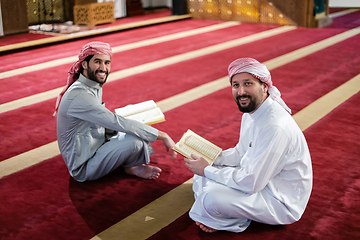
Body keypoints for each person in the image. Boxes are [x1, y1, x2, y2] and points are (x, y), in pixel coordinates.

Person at [184, 57, 313, 233]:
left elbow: (252, 183)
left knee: (210, 197)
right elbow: (241, 153)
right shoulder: (252, 113)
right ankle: (222, 214)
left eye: (248, 84)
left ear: (264, 86)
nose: (241, 91)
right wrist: (214, 159)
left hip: (278, 199)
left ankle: (227, 220)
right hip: (260, 180)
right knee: (205, 172)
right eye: (236, 85)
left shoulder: (275, 126)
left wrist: (207, 170)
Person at [55, 41, 176, 182]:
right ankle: (130, 166)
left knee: (134, 128)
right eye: (98, 62)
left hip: (96, 143)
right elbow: (115, 122)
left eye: (107, 63)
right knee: (136, 139)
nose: (103, 68)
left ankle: (129, 166)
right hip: (83, 166)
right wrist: (163, 136)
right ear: (84, 64)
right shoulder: (80, 95)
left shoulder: (92, 84)